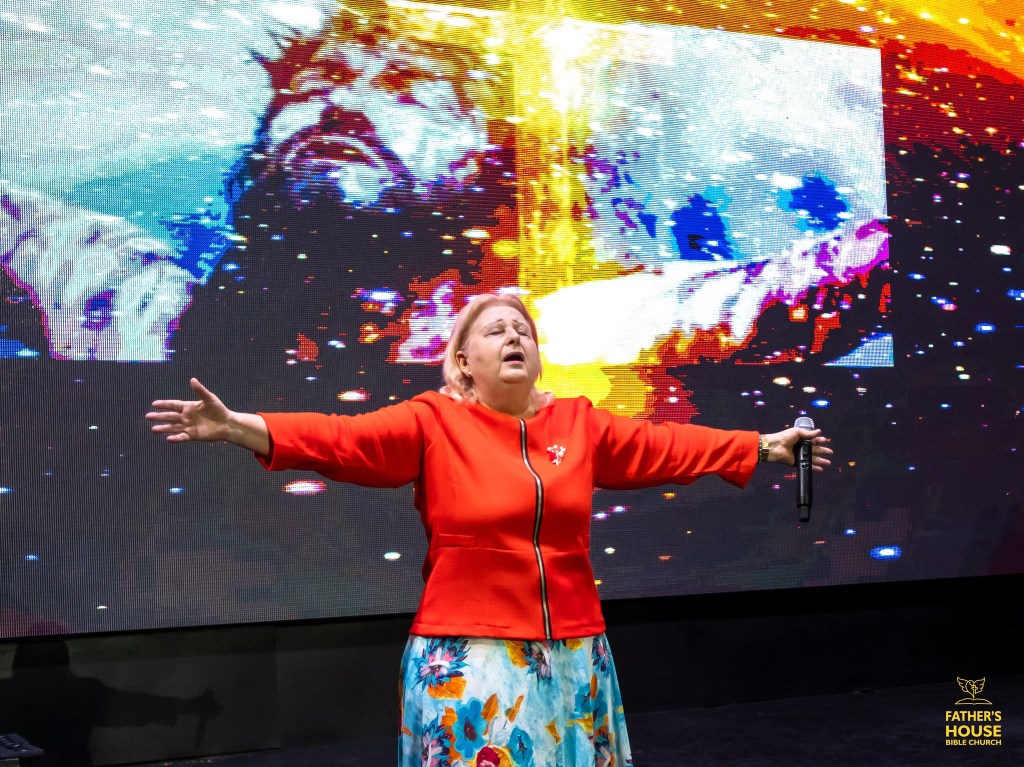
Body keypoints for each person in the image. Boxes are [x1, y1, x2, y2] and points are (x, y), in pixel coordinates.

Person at [146, 292, 832, 766]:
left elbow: (668, 446)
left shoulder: (579, 424)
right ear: (463, 361)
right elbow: (341, 439)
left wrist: (763, 446)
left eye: (522, 330)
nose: (513, 337)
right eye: (495, 330)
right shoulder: (432, 421)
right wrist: (241, 427)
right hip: (471, 654)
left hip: (574, 653)